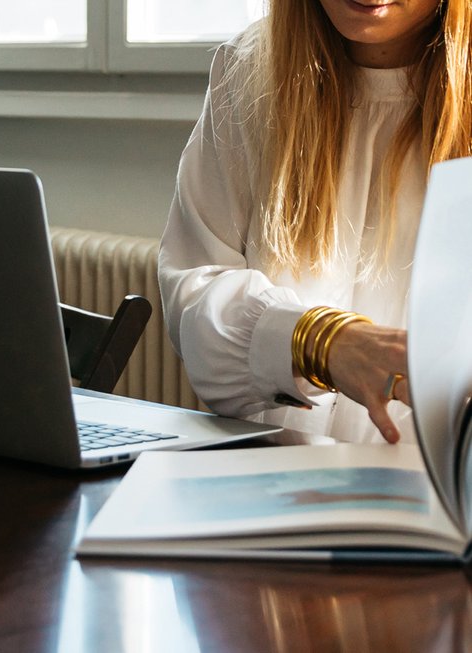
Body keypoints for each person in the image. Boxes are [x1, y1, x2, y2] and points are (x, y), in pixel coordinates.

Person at [158, 0, 471, 444]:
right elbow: (195, 292)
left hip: (440, 489)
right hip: (279, 477)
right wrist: (323, 341)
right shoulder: (250, 71)